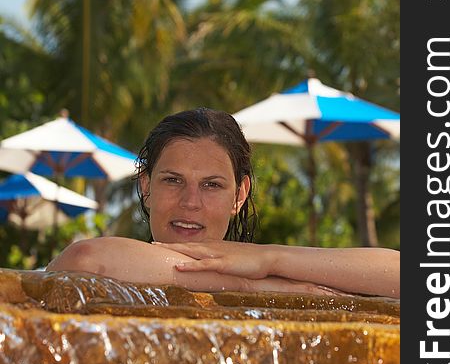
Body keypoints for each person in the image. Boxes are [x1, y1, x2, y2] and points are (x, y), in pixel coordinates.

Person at [47, 108, 400, 298]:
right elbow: (85, 259)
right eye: (173, 180)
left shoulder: (276, 269)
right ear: (146, 187)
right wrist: (249, 285)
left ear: (239, 195)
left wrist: (269, 259)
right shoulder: (113, 265)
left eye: (212, 185)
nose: (190, 202)